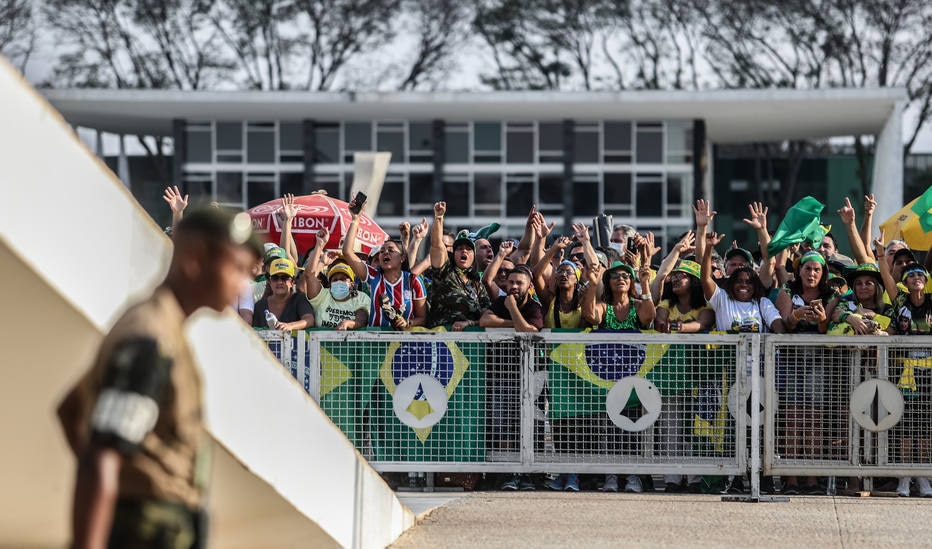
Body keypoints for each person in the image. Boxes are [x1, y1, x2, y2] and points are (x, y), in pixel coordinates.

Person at [57, 207, 262, 548]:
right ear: (195, 259)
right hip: (143, 533)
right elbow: (101, 455)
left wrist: (129, 479)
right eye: (236, 268)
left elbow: (72, 409)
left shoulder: (161, 329)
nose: (243, 283)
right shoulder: (152, 339)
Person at [581, 257, 656, 493]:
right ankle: (611, 475)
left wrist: (644, 285)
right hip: (608, 378)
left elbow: (648, 317)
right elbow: (591, 317)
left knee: (633, 425)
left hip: (635, 380)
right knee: (610, 427)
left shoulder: (636, 306)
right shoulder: (605, 308)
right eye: (615, 276)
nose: (621, 279)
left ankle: (633, 475)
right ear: (608, 282)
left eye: (625, 275)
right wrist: (592, 285)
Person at [480, 264, 544, 490]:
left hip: (528, 378)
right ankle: (509, 472)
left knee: (527, 426)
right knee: (502, 426)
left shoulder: (534, 306)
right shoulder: (500, 302)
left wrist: (512, 309)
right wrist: (512, 323)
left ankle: (527, 474)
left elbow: (529, 331)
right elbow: (485, 321)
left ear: (530, 286)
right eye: (511, 283)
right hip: (500, 377)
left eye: (520, 283)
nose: (514, 287)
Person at [342, 194, 427, 330]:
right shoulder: (373, 276)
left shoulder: (413, 281)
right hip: (375, 344)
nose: (385, 253)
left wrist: (408, 323)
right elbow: (347, 252)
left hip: (404, 345)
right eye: (382, 251)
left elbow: (422, 318)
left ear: (402, 258)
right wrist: (355, 219)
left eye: (390, 250)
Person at [887, 263, 932, 497]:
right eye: (910, 276)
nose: (916, 278)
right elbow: (892, 333)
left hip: (930, 374)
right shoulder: (901, 304)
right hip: (906, 375)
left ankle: (923, 477)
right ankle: (904, 477)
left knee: (925, 426)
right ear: (904, 282)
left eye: (919, 275)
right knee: (906, 424)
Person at [425, 202, 490, 330]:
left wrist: (469, 323)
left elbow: (486, 315)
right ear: (453, 254)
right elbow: (437, 245)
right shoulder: (446, 273)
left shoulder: (477, 283)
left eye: (468, 249)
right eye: (459, 249)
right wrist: (439, 217)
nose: (464, 251)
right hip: (442, 341)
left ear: (474, 256)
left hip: (469, 344)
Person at [304, 229, 370, 330]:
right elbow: (309, 276)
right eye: (335, 280)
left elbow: (361, 319)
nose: (339, 282)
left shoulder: (361, 297)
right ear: (329, 284)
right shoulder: (322, 296)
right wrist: (319, 245)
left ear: (352, 284)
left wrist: (348, 323)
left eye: (343, 279)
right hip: (319, 345)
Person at [252, 258, 315, 330]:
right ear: (269, 281)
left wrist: (289, 326)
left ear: (292, 282)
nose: (279, 282)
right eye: (275, 278)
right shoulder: (259, 306)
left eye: (284, 278)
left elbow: (309, 320)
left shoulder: (299, 299)